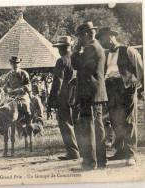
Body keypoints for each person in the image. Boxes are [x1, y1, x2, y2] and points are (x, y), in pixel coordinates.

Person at [96, 27, 144, 166]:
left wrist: (140, 88)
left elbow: (140, 69)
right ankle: (121, 151)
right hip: (111, 88)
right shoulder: (105, 54)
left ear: (111, 37)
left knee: (128, 120)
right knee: (115, 120)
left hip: (126, 87)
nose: (102, 42)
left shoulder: (128, 50)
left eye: (103, 38)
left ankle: (131, 154)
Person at [71, 22, 108, 169]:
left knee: (89, 127)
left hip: (90, 94)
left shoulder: (90, 48)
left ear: (86, 34)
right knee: (97, 127)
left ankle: (90, 162)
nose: (79, 39)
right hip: (95, 93)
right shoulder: (97, 46)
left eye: (79, 36)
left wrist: (75, 50)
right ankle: (100, 161)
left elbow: (77, 65)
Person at [48, 36, 80, 160]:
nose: (59, 50)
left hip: (64, 97)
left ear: (65, 48)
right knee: (77, 123)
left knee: (65, 124)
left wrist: (51, 100)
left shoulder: (61, 61)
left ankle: (72, 152)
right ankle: (81, 150)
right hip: (77, 96)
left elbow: (57, 82)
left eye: (60, 47)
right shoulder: (77, 59)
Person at [0, 56, 33, 134]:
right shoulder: (9, 74)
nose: (15, 65)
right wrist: (6, 89)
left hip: (22, 95)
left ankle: (29, 124)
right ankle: (2, 127)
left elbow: (28, 85)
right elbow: (5, 85)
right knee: (1, 107)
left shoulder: (24, 73)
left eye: (17, 63)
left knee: (26, 106)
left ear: (19, 64)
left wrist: (20, 89)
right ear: (10, 64)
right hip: (11, 96)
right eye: (13, 63)